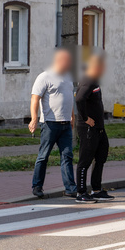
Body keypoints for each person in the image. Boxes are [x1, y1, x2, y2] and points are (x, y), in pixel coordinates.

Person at [30, 49, 76, 198]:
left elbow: (69, 98)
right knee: (44, 156)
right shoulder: (44, 77)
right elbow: (35, 98)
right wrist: (34, 119)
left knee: (67, 155)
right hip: (50, 123)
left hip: (65, 124)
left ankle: (70, 188)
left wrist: (72, 116)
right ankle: (37, 186)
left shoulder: (68, 77)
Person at [74, 52, 114, 203]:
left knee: (101, 155)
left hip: (99, 128)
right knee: (85, 160)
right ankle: (81, 192)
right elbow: (79, 99)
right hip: (88, 129)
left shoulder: (94, 80)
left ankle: (96, 190)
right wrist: (85, 118)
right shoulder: (88, 80)